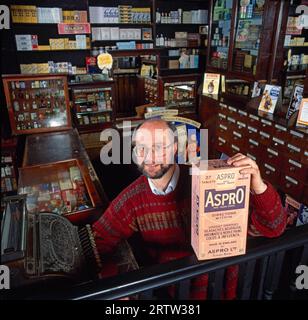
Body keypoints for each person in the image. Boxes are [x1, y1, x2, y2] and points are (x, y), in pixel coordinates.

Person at [92, 119, 287, 299]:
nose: (149, 157)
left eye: (158, 147)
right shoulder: (132, 198)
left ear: (175, 148)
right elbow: (98, 239)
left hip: (222, 287)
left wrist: (258, 186)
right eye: (141, 148)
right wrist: (115, 288)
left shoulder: (207, 181)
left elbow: (274, 227)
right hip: (175, 294)